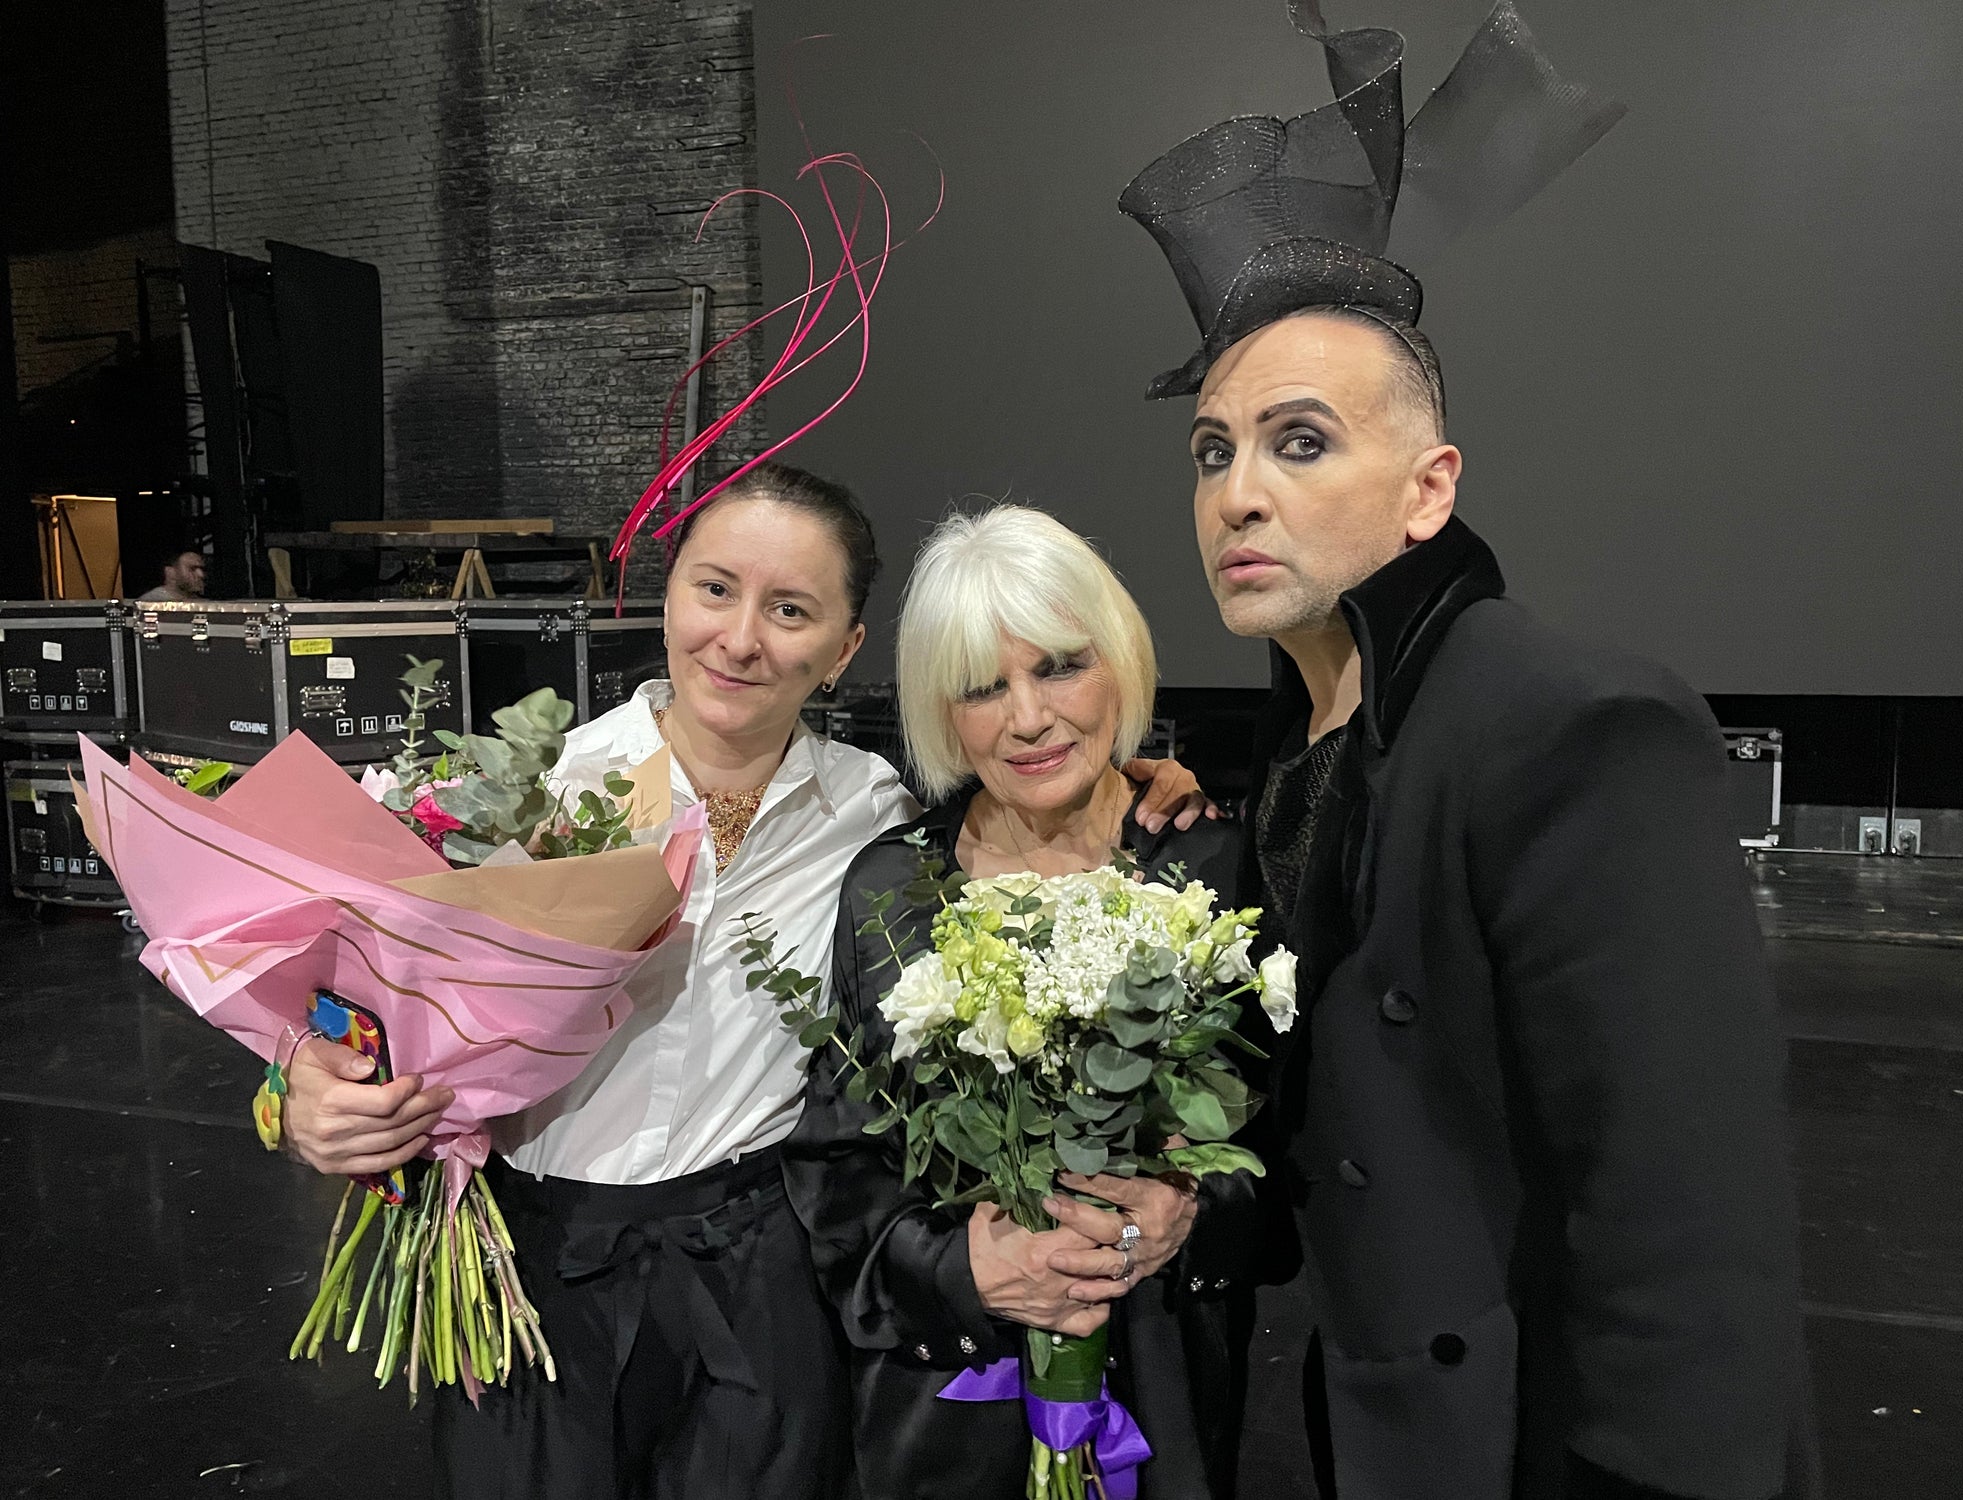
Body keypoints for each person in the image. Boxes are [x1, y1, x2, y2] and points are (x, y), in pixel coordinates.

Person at [1119, 6, 1816, 1500]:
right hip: (1382, 1423)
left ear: (1428, 489)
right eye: (1213, 450)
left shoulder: (1572, 726)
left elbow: (1687, 1218)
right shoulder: (1301, 741)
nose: (1238, 493)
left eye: (1301, 441)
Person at [274, 465, 1212, 1499]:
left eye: (791, 610)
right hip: (533, 1272)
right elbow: (351, 1007)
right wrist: (297, 1085)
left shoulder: (877, 816)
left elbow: (1028, 826)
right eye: (714, 590)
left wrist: (1141, 784)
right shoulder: (530, 792)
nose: (739, 638)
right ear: (669, 593)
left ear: (844, 649)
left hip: (766, 1281)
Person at [786, 505, 1264, 1500]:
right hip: (948, 1413)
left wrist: (1188, 1212)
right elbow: (838, 1176)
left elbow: (1290, 1144)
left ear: (1119, 663)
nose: (1029, 718)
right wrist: (962, 1270)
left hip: (1162, 1387)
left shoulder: (1209, 864)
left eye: (1059, 667)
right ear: (941, 711)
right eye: (981, 687)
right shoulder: (891, 889)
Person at [136, 547, 206, 602]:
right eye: (192, 569)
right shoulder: (151, 602)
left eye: (201, 569)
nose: (201, 574)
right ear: (170, 572)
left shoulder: (202, 603)